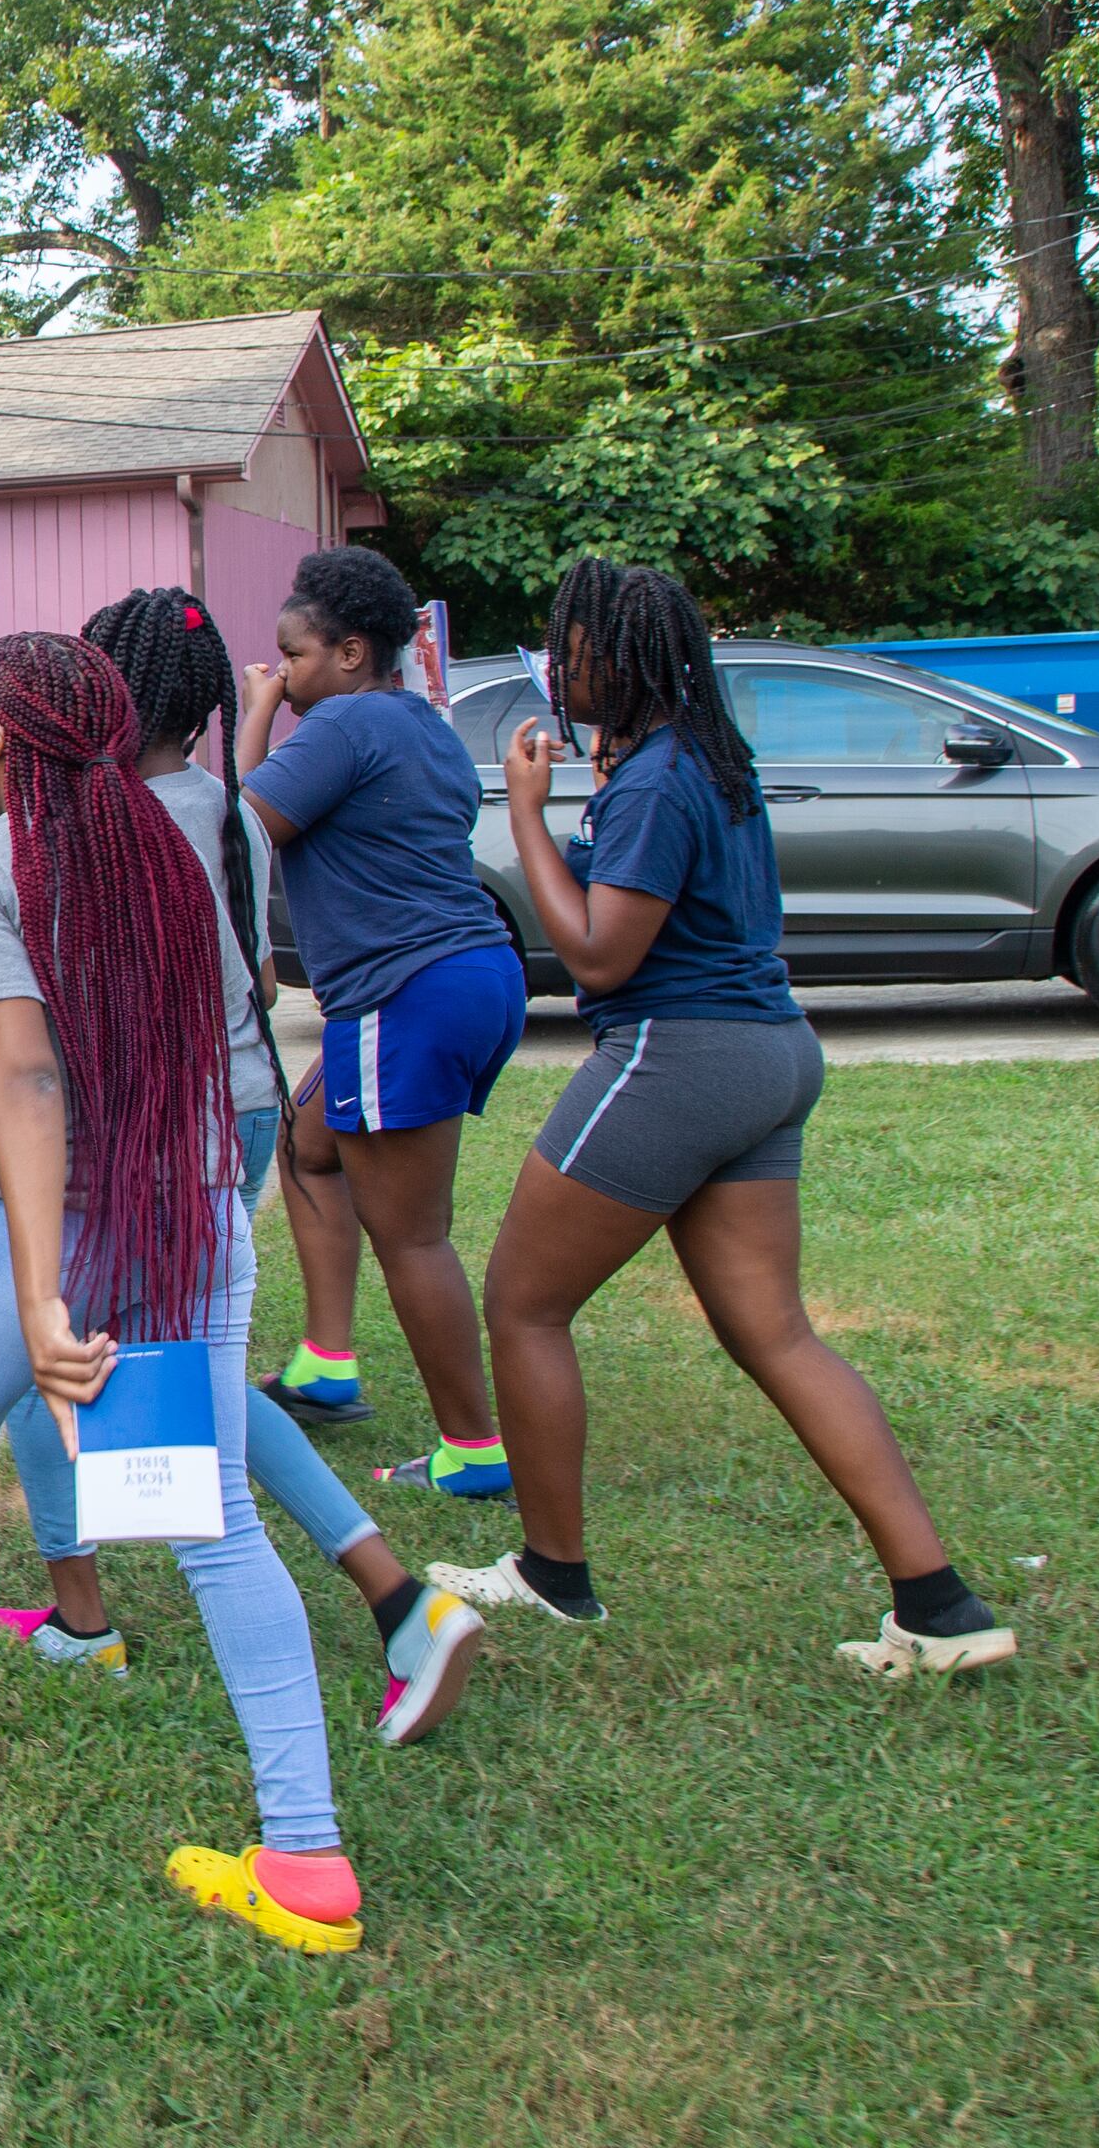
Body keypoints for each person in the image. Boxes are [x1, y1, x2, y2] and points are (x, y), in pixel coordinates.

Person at [0, 630, 368, 1958]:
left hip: (63, 1229)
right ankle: (304, 1857)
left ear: (1, 743)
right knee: (218, 1517)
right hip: (189, 1220)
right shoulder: (174, 851)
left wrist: (38, 1302)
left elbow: (23, 1079)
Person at [435, 560, 1016, 1676]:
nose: (556, 671)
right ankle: (938, 1604)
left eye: (572, 648)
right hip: (768, 1052)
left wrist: (523, 812)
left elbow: (599, 950)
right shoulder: (706, 756)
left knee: (522, 1302)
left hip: (677, 1054)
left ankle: (554, 1572)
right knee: (775, 1330)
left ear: (625, 656)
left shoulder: (656, 778)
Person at [0, 587, 486, 1745]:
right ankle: (395, 1594)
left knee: (47, 1354)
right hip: (238, 1108)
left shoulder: (115, 824)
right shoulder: (228, 810)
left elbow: (88, 1009)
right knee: (195, 1370)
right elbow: (253, 979)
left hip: (146, 1126)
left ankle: (90, 1618)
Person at [237, 543, 528, 1498]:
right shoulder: (423, 725)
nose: (284, 673)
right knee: (310, 1142)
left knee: (413, 1234)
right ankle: (328, 1358)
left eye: (296, 656)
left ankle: (473, 1450)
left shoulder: (343, 722)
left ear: (353, 651)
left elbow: (233, 838)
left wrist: (254, 716)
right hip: (477, 974)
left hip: (403, 992)